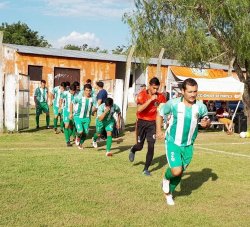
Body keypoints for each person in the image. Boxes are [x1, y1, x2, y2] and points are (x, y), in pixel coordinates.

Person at [156, 78, 211, 206]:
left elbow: (206, 120)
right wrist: (159, 130)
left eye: (195, 91)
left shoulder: (201, 107)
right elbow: (159, 114)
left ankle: (169, 193)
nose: (193, 94)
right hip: (173, 142)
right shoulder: (173, 103)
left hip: (189, 145)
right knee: (176, 171)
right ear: (182, 91)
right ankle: (165, 178)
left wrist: (206, 123)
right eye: (190, 91)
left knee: (180, 173)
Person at [128, 77, 166, 176]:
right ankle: (133, 149)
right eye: (154, 88)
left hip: (153, 123)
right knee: (139, 146)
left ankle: (146, 169)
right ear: (149, 86)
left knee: (151, 145)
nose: (156, 90)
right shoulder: (142, 95)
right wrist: (150, 100)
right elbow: (139, 109)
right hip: (141, 122)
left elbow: (162, 110)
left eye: (157, 88)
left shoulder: (161, 97)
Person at [71, 83, 94, 149]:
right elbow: (72, 103)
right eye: (86, 90)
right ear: (84, 90)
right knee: (80, 131)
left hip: (87, 118)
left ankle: (80, 144)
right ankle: (77, 137)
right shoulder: (79, 98)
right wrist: (70, 113)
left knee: (86, 133)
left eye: (89, 90)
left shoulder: (92, 99)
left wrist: (93, 111)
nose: (88, 92)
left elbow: (95, 106)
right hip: (78, 117)